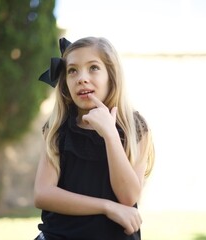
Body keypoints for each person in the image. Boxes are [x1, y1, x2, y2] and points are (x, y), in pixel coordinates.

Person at [34, 36, 155, 240]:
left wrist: (110, 134)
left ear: (112, 76)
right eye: (73, 70)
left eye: (93, 68)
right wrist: (106, 207)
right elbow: (43, 194)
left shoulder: (136, 128)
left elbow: (128, 198)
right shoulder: (57, 129)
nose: (82, 78)